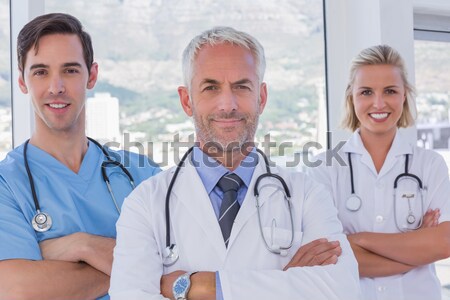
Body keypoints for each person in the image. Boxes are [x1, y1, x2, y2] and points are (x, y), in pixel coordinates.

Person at [109, 26, 361, 300]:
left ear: (261, 97)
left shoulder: (307, 195)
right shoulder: (145, 204)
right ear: (186, 101)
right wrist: (288, 281)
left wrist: (200, 287)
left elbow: (342, 290)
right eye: (210, 87)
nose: (227, 104)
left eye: (241, 86)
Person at [0, 13, 160, 299]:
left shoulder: (140, 173)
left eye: (70, 70)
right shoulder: (6, 184)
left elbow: (181, 265)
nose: (56, 87)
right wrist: (134, 268)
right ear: (22, 81)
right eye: (40, 72)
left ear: (92, 75)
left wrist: (79, 245)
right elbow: (17, 289)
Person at [308, 44, 450, 300]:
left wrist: (358, 240)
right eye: (366, 92)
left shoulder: (430, 165)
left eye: (390, 91)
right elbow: (327, 257)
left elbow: (444, 243)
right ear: (351, 96)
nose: (379, 102)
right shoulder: (325, 168)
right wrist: (417, 246)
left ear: (404, 95)